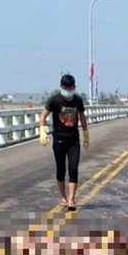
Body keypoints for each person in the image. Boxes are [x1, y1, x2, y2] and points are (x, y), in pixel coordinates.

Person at [39, 73, 89, 211]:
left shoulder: (78, 100)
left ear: (74, 87)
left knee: (73, 169)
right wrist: (43, 132)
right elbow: (43, 115)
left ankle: (71, 199)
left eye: (70, 87)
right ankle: (63, 197)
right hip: (59, 140)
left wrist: (86, 134)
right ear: (61, 86)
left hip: (73, 140)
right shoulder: (54, 100)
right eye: (65, 87)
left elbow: (82, 117)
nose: (67, 90)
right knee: (61, 170)